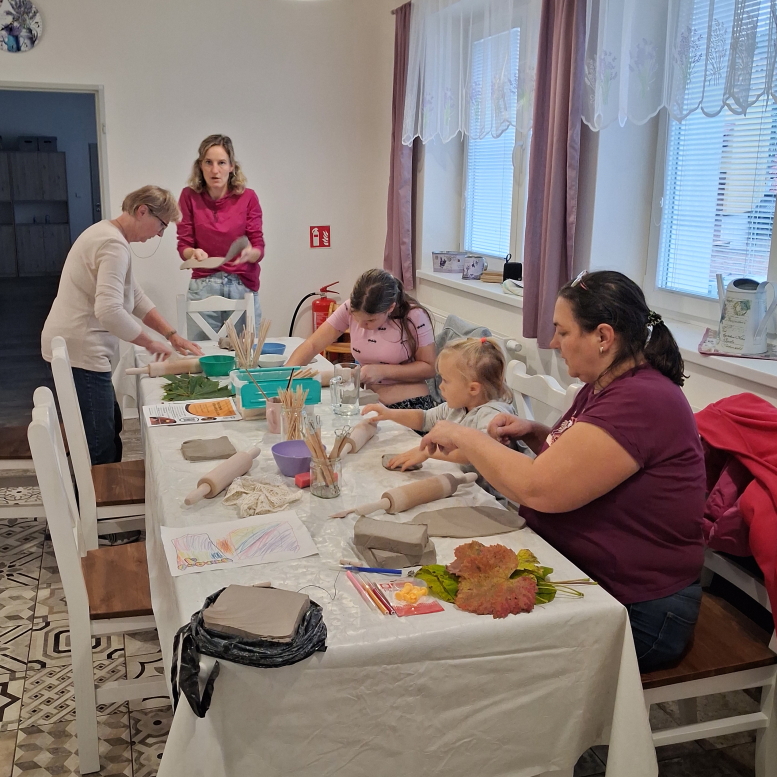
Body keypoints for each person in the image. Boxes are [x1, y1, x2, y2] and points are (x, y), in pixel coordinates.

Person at [418, 271, 706, 672]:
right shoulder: (603, 383)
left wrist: (464, 436)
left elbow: (537, 489)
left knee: (480, 661)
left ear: (603, 336)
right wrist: (537, 434)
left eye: (563, 331)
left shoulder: (642, 400)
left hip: (637, 609)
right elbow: (582, 464)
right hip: (586, 574)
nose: (554, 342)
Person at [42, 186, 203, 466]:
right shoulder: (113, 245)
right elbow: (109, 311)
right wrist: (149, 342)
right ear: (142, 211)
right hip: (81, 351)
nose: (160, 234)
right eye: (162, 225)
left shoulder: (108, 234)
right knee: (99, 443)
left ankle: (94, 487)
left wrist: (172, 335)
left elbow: (135, 297)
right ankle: (93, 494)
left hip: (74, 346)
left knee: (109, 425)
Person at [362, 337, 519, 499]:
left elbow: (474, 453)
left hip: (485, 499)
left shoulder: (493, 415)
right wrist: (389, 413)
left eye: (445, 380)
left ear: (473, 388)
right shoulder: (458, 406)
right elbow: (424, 419)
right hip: (459, 487)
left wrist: (427, 452)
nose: (440, 386)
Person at [286, 269, 437, 409]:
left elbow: (430, 368)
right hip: (370, 400)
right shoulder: (349, 308)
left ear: (390, 308)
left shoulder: (415, 316)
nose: (361, 326)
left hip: (410, 404)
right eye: (356, 318)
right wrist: (286, 376)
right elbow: (312, 345)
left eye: (370, 320)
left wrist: (383, 371)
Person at [178, 134, 265, 339]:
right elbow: (184, 244)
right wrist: (193, 253)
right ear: (200, 166)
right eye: (208, 162)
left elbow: (258, 246)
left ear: (232, 166)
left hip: (241, 284)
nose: (215, 170)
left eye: (221, 163)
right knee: (203, 353)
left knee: (246, 353)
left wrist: (250, 253)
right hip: (204, 285)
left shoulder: (248, 197)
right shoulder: (189, 196)